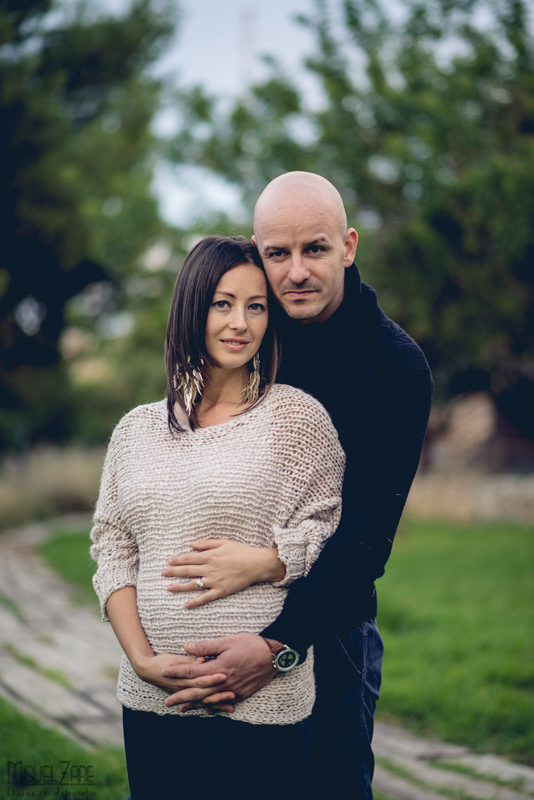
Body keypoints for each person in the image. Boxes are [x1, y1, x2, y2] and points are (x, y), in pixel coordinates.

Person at [158, 173, 434, 799]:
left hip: (328, 636)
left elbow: (364, 544)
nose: (296, 272)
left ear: (349, 246)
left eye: (314, 249)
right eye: (277, 254)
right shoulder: (251, 334)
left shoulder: (392, 367)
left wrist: (277, 644)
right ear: (258, 253)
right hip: (215, 626)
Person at [90, 234, 345, 799]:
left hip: (262, 700)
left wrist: (263, 563)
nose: (240, 323)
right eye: (222, 303)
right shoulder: (135, 431)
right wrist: (143, 660)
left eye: (256, 306)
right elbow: (112, 549)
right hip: (153, 697)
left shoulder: (295, 420)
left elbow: (327, 536)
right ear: (191, 307)